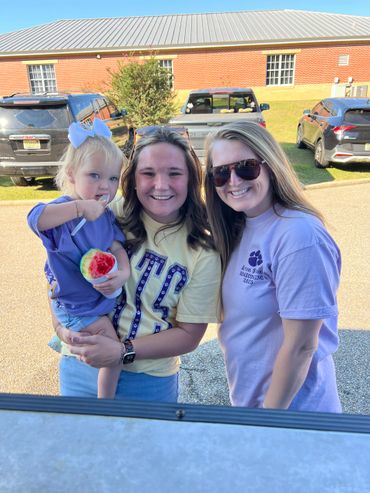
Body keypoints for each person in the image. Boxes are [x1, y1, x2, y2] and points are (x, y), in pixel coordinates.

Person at [53, 126, 221, 402]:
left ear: (191, 179)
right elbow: (57, 274)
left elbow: (189, 335)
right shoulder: (104, 214)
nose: (161, 185)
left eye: (174, 173)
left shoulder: (203, 250)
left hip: (150, 381)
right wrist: (61, 329)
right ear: (131, 179)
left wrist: (122, 352)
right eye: (148, 173)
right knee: (80, 445)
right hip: (80, 365)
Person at [204, 121, 342, 412]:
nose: (234, 181)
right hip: (255, 407)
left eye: (246, 167)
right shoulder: (241, 227)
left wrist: (267, 422)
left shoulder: (299, 235)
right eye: (220, 173)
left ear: (271, 165)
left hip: (293, 418)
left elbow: (301, 347)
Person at [28, 118, 130, 399]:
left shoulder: (107, 216)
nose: (105, 186)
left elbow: (117, 248)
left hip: (92, 302)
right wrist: (78, 208)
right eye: (94, 176)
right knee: (114, 354)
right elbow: (35, 218)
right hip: (77, 306)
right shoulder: (63, 211)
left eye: (112, 178)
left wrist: (121, 273)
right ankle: (104, 404)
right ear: (72, 174)